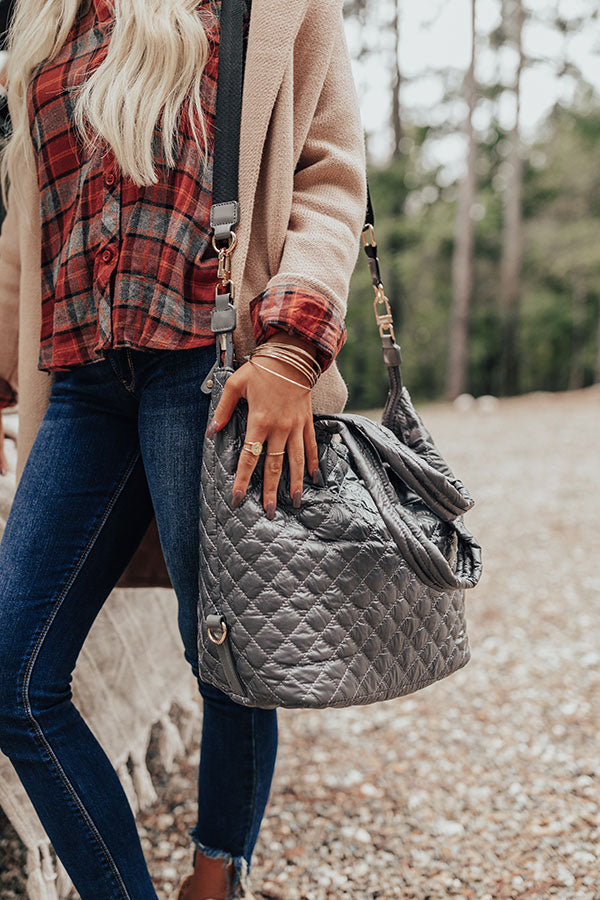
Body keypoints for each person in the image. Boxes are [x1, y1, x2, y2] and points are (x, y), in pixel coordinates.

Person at [0, 0, 367, 897]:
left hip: (212, 369)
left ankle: (217, 877)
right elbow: (28, 220)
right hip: (82, 378)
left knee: (227, 649)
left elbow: (330, 174)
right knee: (15, 676)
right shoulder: (43, 15)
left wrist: (291, 345)